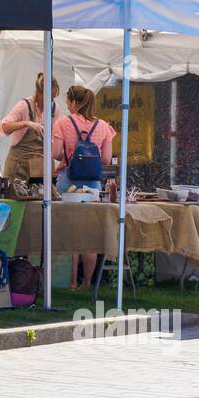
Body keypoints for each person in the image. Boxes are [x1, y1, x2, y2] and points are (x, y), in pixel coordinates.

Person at [52, 85, 115, 289]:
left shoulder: (62, 123)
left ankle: (71, 282)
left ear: (74, 103)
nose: (67, 105)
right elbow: (106, 158)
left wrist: (67, 154)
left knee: (70, 232)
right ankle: (88, 283)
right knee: (89, 234)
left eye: (68, 102)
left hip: (68, 180)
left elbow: (56, 154)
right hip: (93, 184)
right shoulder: (104, 126)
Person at [0, 74, 55, 190]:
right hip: (19, 164)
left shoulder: (54, 109)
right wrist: (27, 123)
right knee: (14, 198)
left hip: (40, 166)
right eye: (48, 97)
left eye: (53, 97)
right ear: (39, 93)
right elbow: (3, 127)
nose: (50, 101)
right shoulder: (24, 105)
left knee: (39, 202)